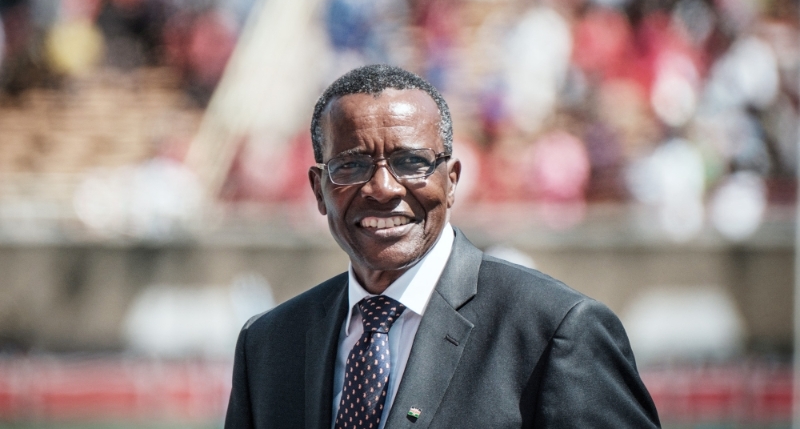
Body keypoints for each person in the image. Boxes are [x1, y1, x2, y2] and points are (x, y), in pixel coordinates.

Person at [224, 64, 661, 428]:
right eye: (352, 164)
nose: (382, 188)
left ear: (451, 181)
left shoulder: (554, 331)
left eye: (410, 162)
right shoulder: (268, 345)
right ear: (320, 190)